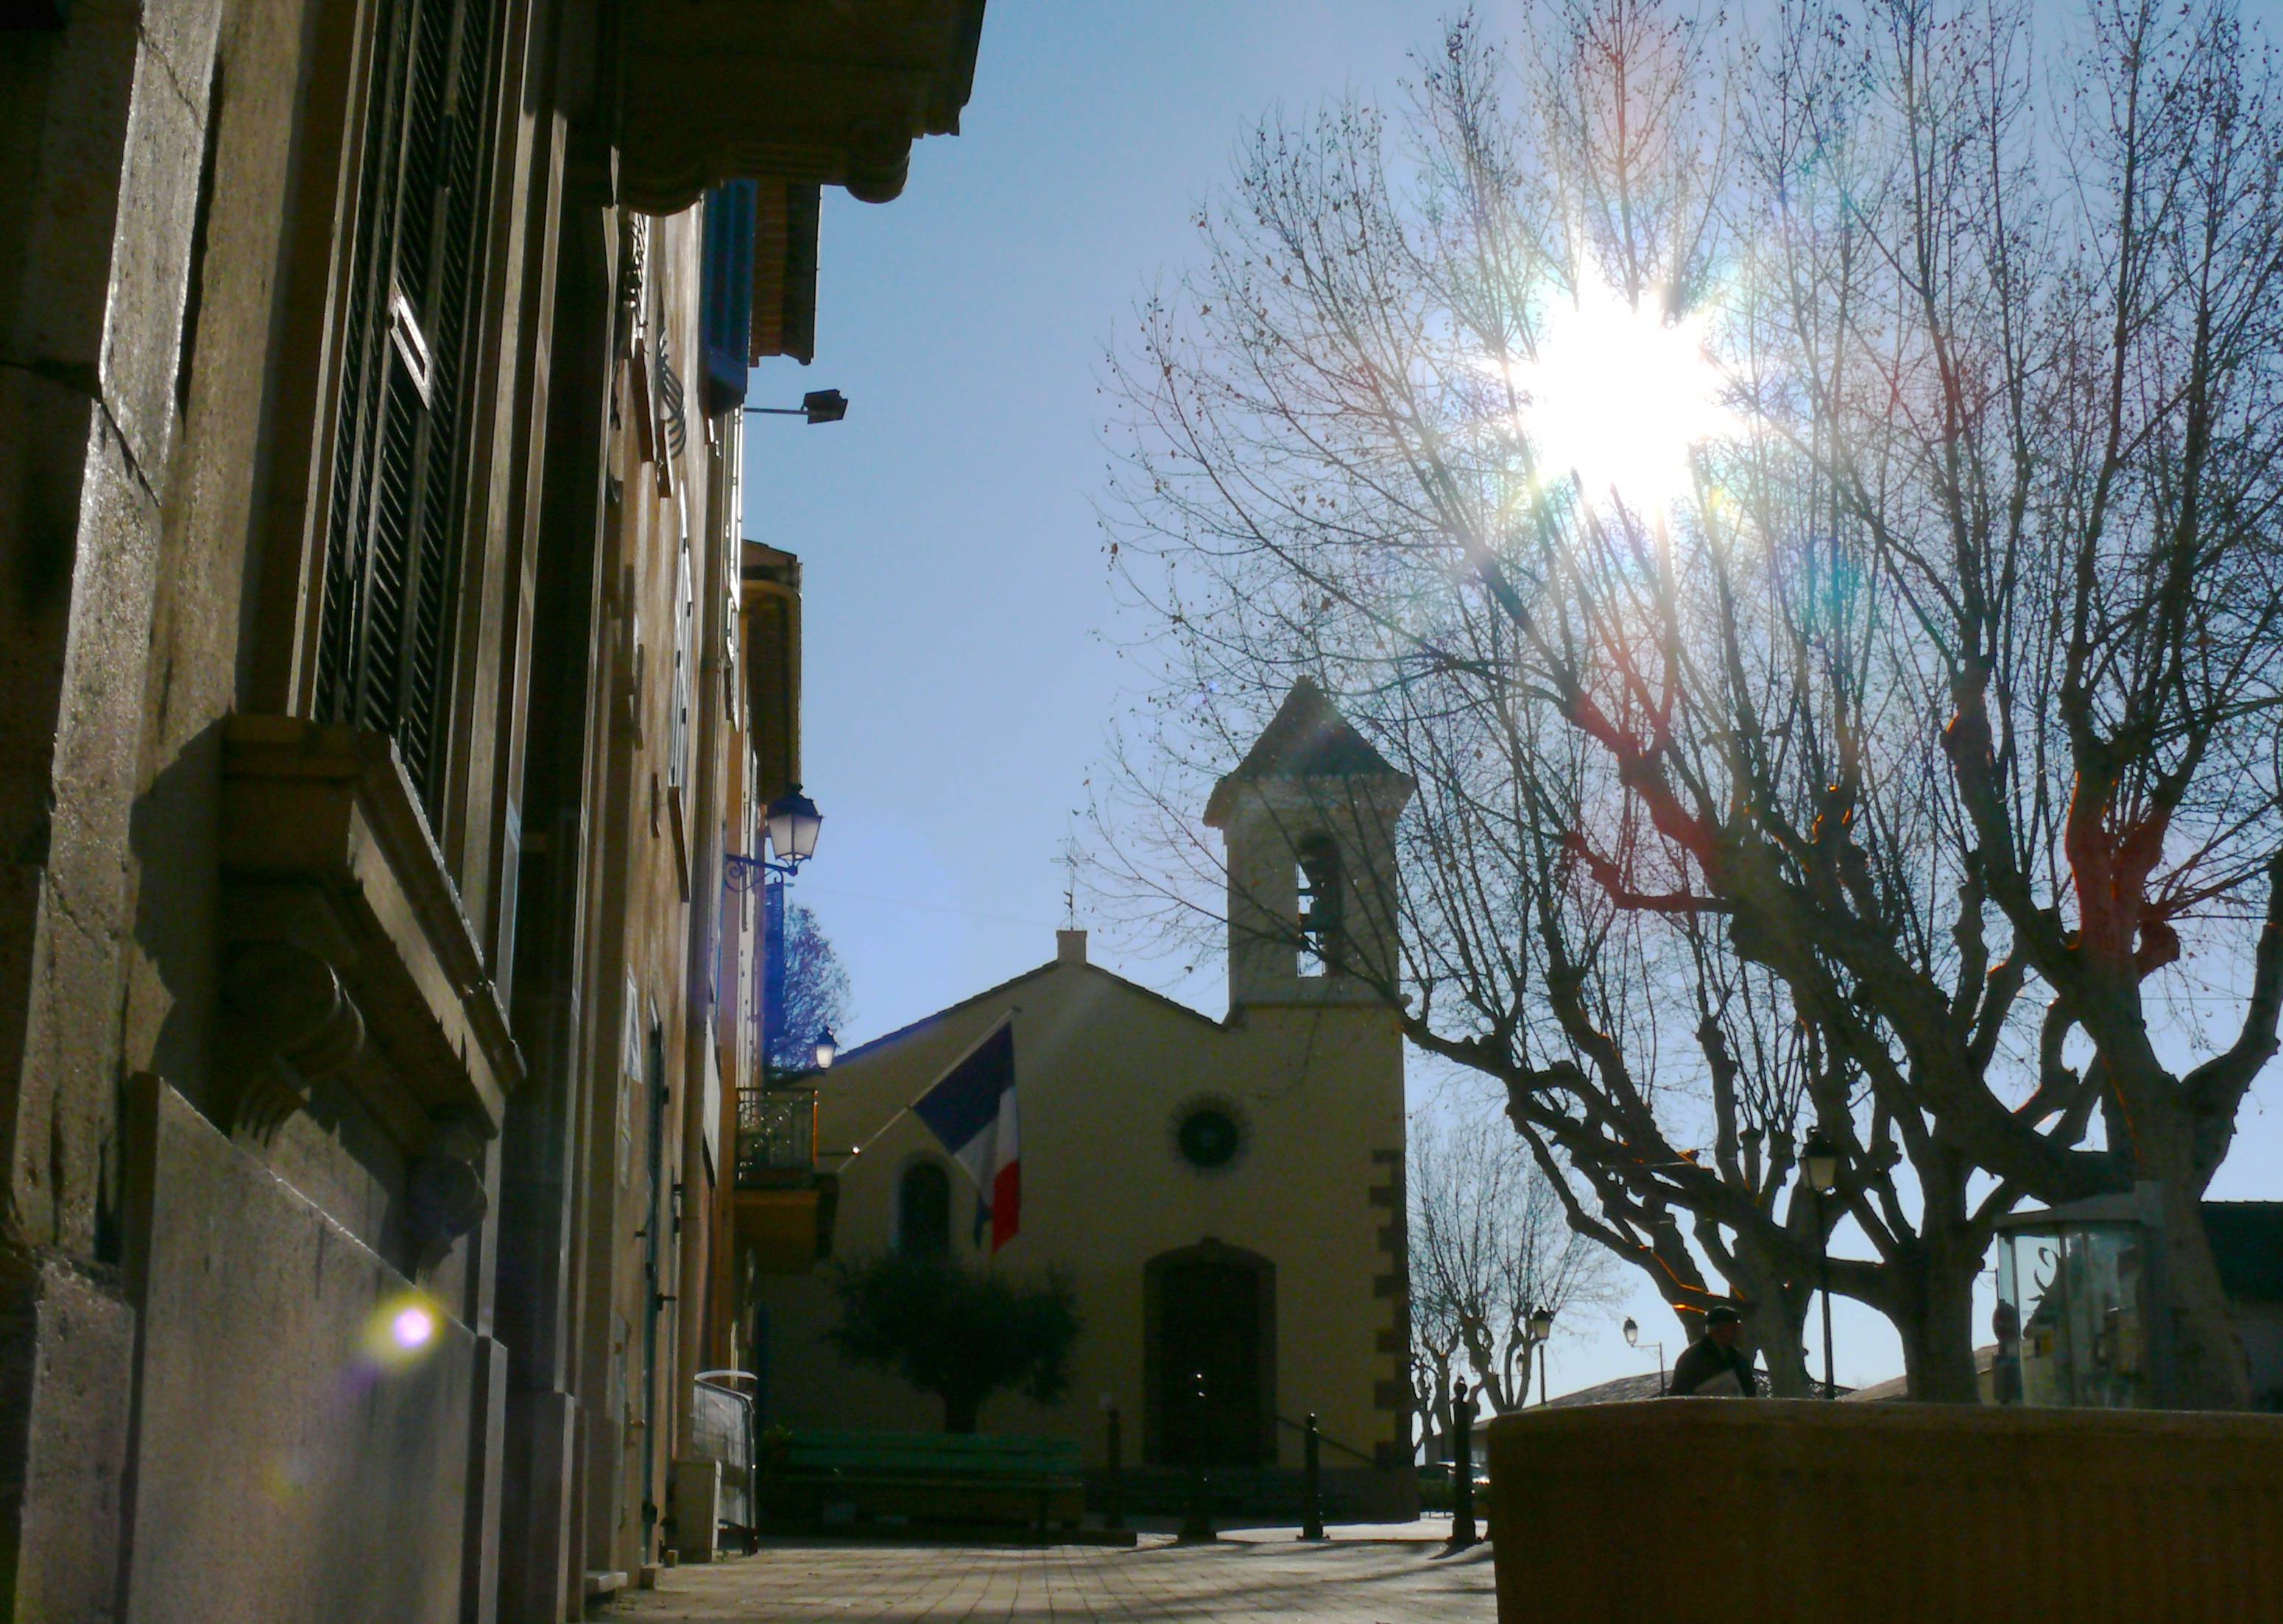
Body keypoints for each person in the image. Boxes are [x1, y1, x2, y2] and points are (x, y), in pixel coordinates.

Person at [1668, 1305, 1759, 1397]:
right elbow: (1678, 1395)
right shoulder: (1693, 1358)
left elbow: (1750, 1394)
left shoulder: (1739, 1360)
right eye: (1733, 1325)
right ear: (1718, 1328)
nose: (1739, 1329)